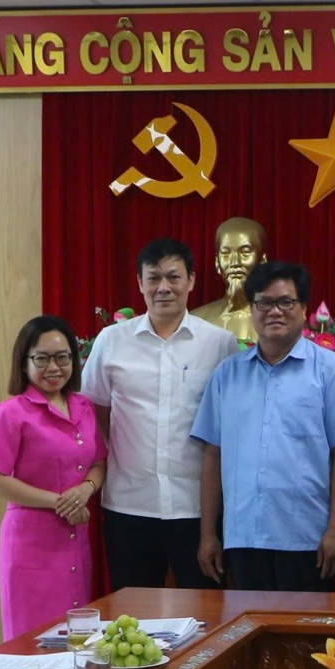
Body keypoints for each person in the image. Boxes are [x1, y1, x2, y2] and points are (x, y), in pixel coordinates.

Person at [191, 261, 335, 592]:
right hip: (242, 536)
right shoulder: (227, 374)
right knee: (246, 623)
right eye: (264, 302)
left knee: (305, 626)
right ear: (252, 309)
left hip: (307, 538)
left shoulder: (332, 371)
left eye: (285, 302)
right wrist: (208, 534)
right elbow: (212, 454)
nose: (274, 311)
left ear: (304, 309)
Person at [81, 238, 240, 591]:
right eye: (153, 278)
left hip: (197, 509)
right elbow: (95, 407)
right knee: (132, 611)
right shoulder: (111, 340)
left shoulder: (219, 343)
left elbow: (230, 420)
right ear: (140, 282)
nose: (163, 287)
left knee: (206, 611)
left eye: (173, 277)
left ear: (191, 280)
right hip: (129, 504)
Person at [0, 315, 107, 640]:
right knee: (32, 643)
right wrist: (60, 502)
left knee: (77, 640)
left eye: (62, 357)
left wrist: (85, 490)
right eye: (42, 358)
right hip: (30, 545)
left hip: (74, 538)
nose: (54, 367)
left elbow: (99, 463)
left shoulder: (83, 406)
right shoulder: (10, 412)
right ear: (24, 362)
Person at [190, 216, 268, 343]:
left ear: (262, 262)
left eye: (245, 253)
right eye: (226, 254)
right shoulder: (196, 321)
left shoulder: (279, 321)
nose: (235, 262)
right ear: (217, 263)